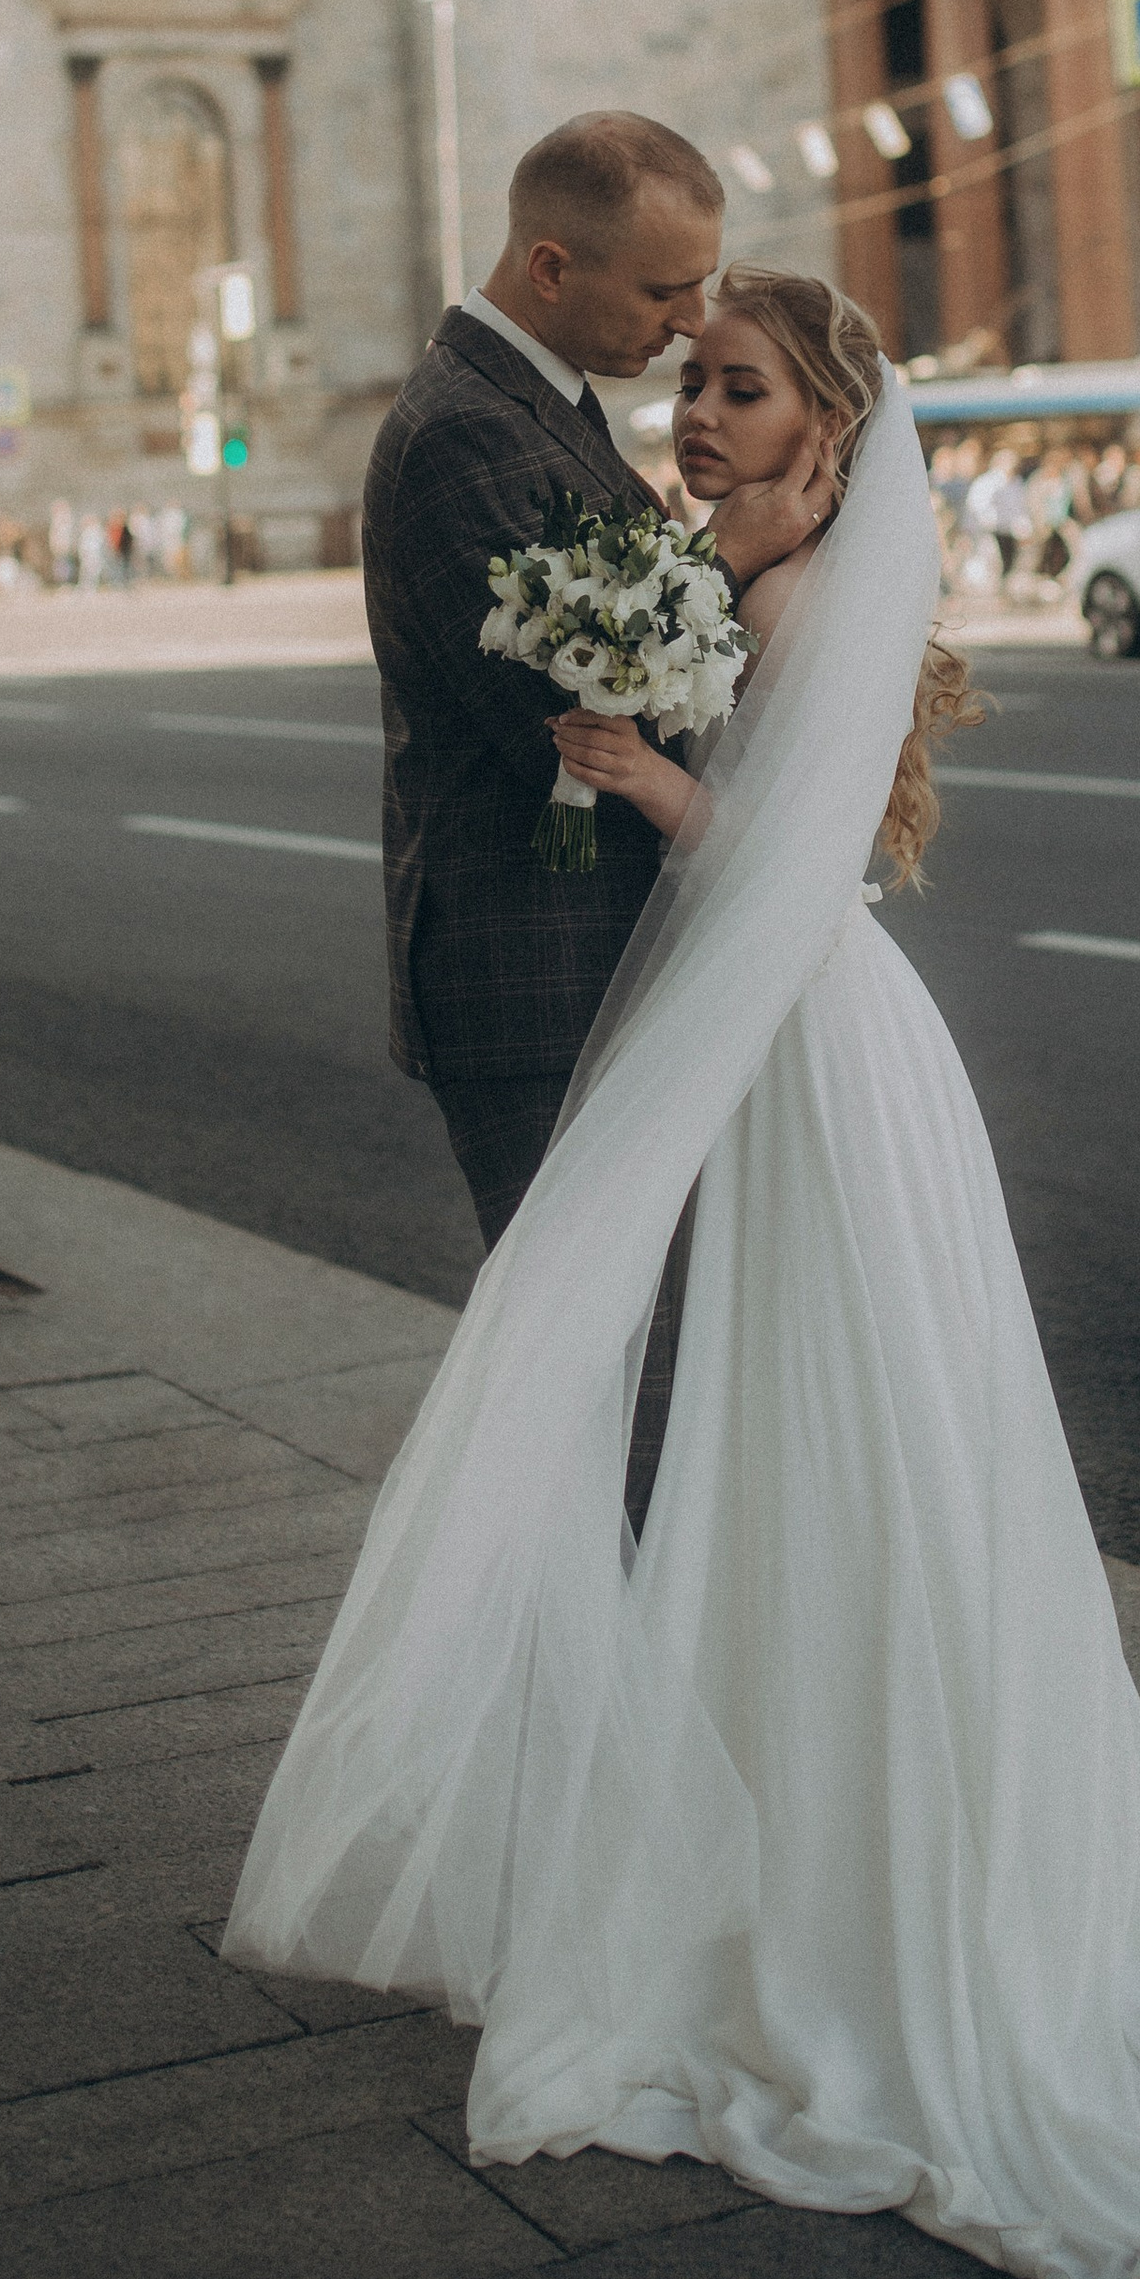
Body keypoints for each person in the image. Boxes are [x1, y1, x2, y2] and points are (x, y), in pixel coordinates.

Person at [229, 263, 1140, 2279]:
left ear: (833, 439)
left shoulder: (818, 599)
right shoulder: (721, 573)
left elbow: (789, 865)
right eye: (693, 391)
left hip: (812, 1046)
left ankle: (875, 1900)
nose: (696, 420)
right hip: (776, 1046)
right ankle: (771, 1854)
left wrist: (644, 775)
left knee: (852, 1450)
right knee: (771, 1461)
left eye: (737, 396)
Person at [356, 114, 821, 1521]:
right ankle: (582, 1712)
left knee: (637, 1381)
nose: (689, 328)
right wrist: (729, 550)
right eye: (662, 293)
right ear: (551, 266)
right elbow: (576, 706)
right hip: (532, 979)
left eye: (704, 288)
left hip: (584, 963)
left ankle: (611, 1701)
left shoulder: (543, 412)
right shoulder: (457, 434)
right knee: (606, 1395)